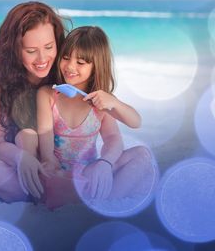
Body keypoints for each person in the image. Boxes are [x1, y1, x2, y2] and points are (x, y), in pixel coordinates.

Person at [33, 26, 152, 204]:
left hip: (89, 170)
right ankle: (94, 196)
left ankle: (107, 200)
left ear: (97, 66)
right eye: (66, 58)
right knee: (50, 179)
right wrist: (50, 163)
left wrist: (105, 163)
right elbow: (45, 138)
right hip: (58, 172)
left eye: (80, 63)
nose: (70, 66)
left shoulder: (102, 101)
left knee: (142, 154)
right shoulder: (48, 95)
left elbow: (130, 126)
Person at [0, 2, 66, 202]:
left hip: (62, 160)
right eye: (31, 51)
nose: (42, 58)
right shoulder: (0, 79)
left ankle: (52, 192)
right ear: (14, 49)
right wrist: (22, 158)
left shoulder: (65, 70)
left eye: (49, 47)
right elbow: (2, 145)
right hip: (27, 163)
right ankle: (47, 195)